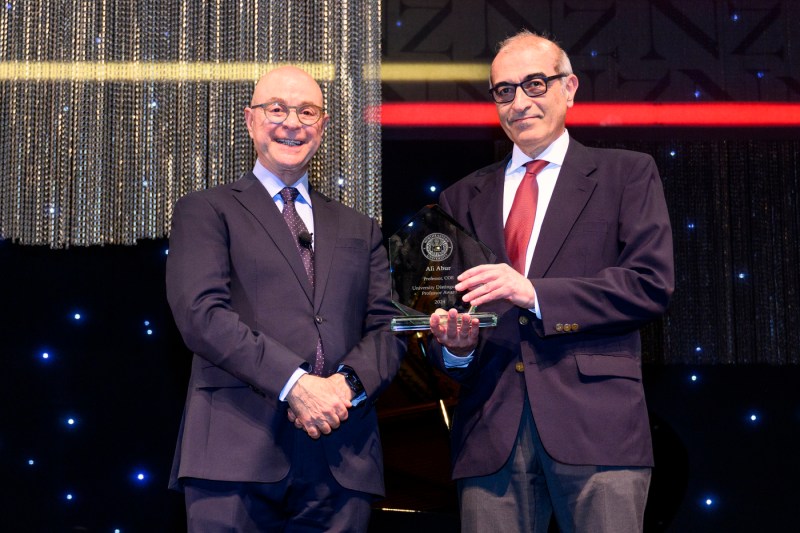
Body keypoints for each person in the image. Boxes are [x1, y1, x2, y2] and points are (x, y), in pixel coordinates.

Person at [427, 30, 674, 533]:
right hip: (489, 433)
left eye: (534, 84)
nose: (519, 102)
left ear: (570, 88)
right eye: (504, 90)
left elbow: (650, 283)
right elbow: (446, 309)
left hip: (598, 428)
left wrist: (533, 292)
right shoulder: (459, 199)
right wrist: (455, 347)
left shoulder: (626, 174)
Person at [166, 65, 406, 532]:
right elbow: (201, 315)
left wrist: (344, 387)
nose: (292, 123)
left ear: (323, 125)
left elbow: (388, 327)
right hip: (234, 453)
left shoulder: (361, 227)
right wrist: (296, 384)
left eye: (307, 111)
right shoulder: (207, 209)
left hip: (341, 454)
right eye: (277, 109)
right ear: (250, 120)